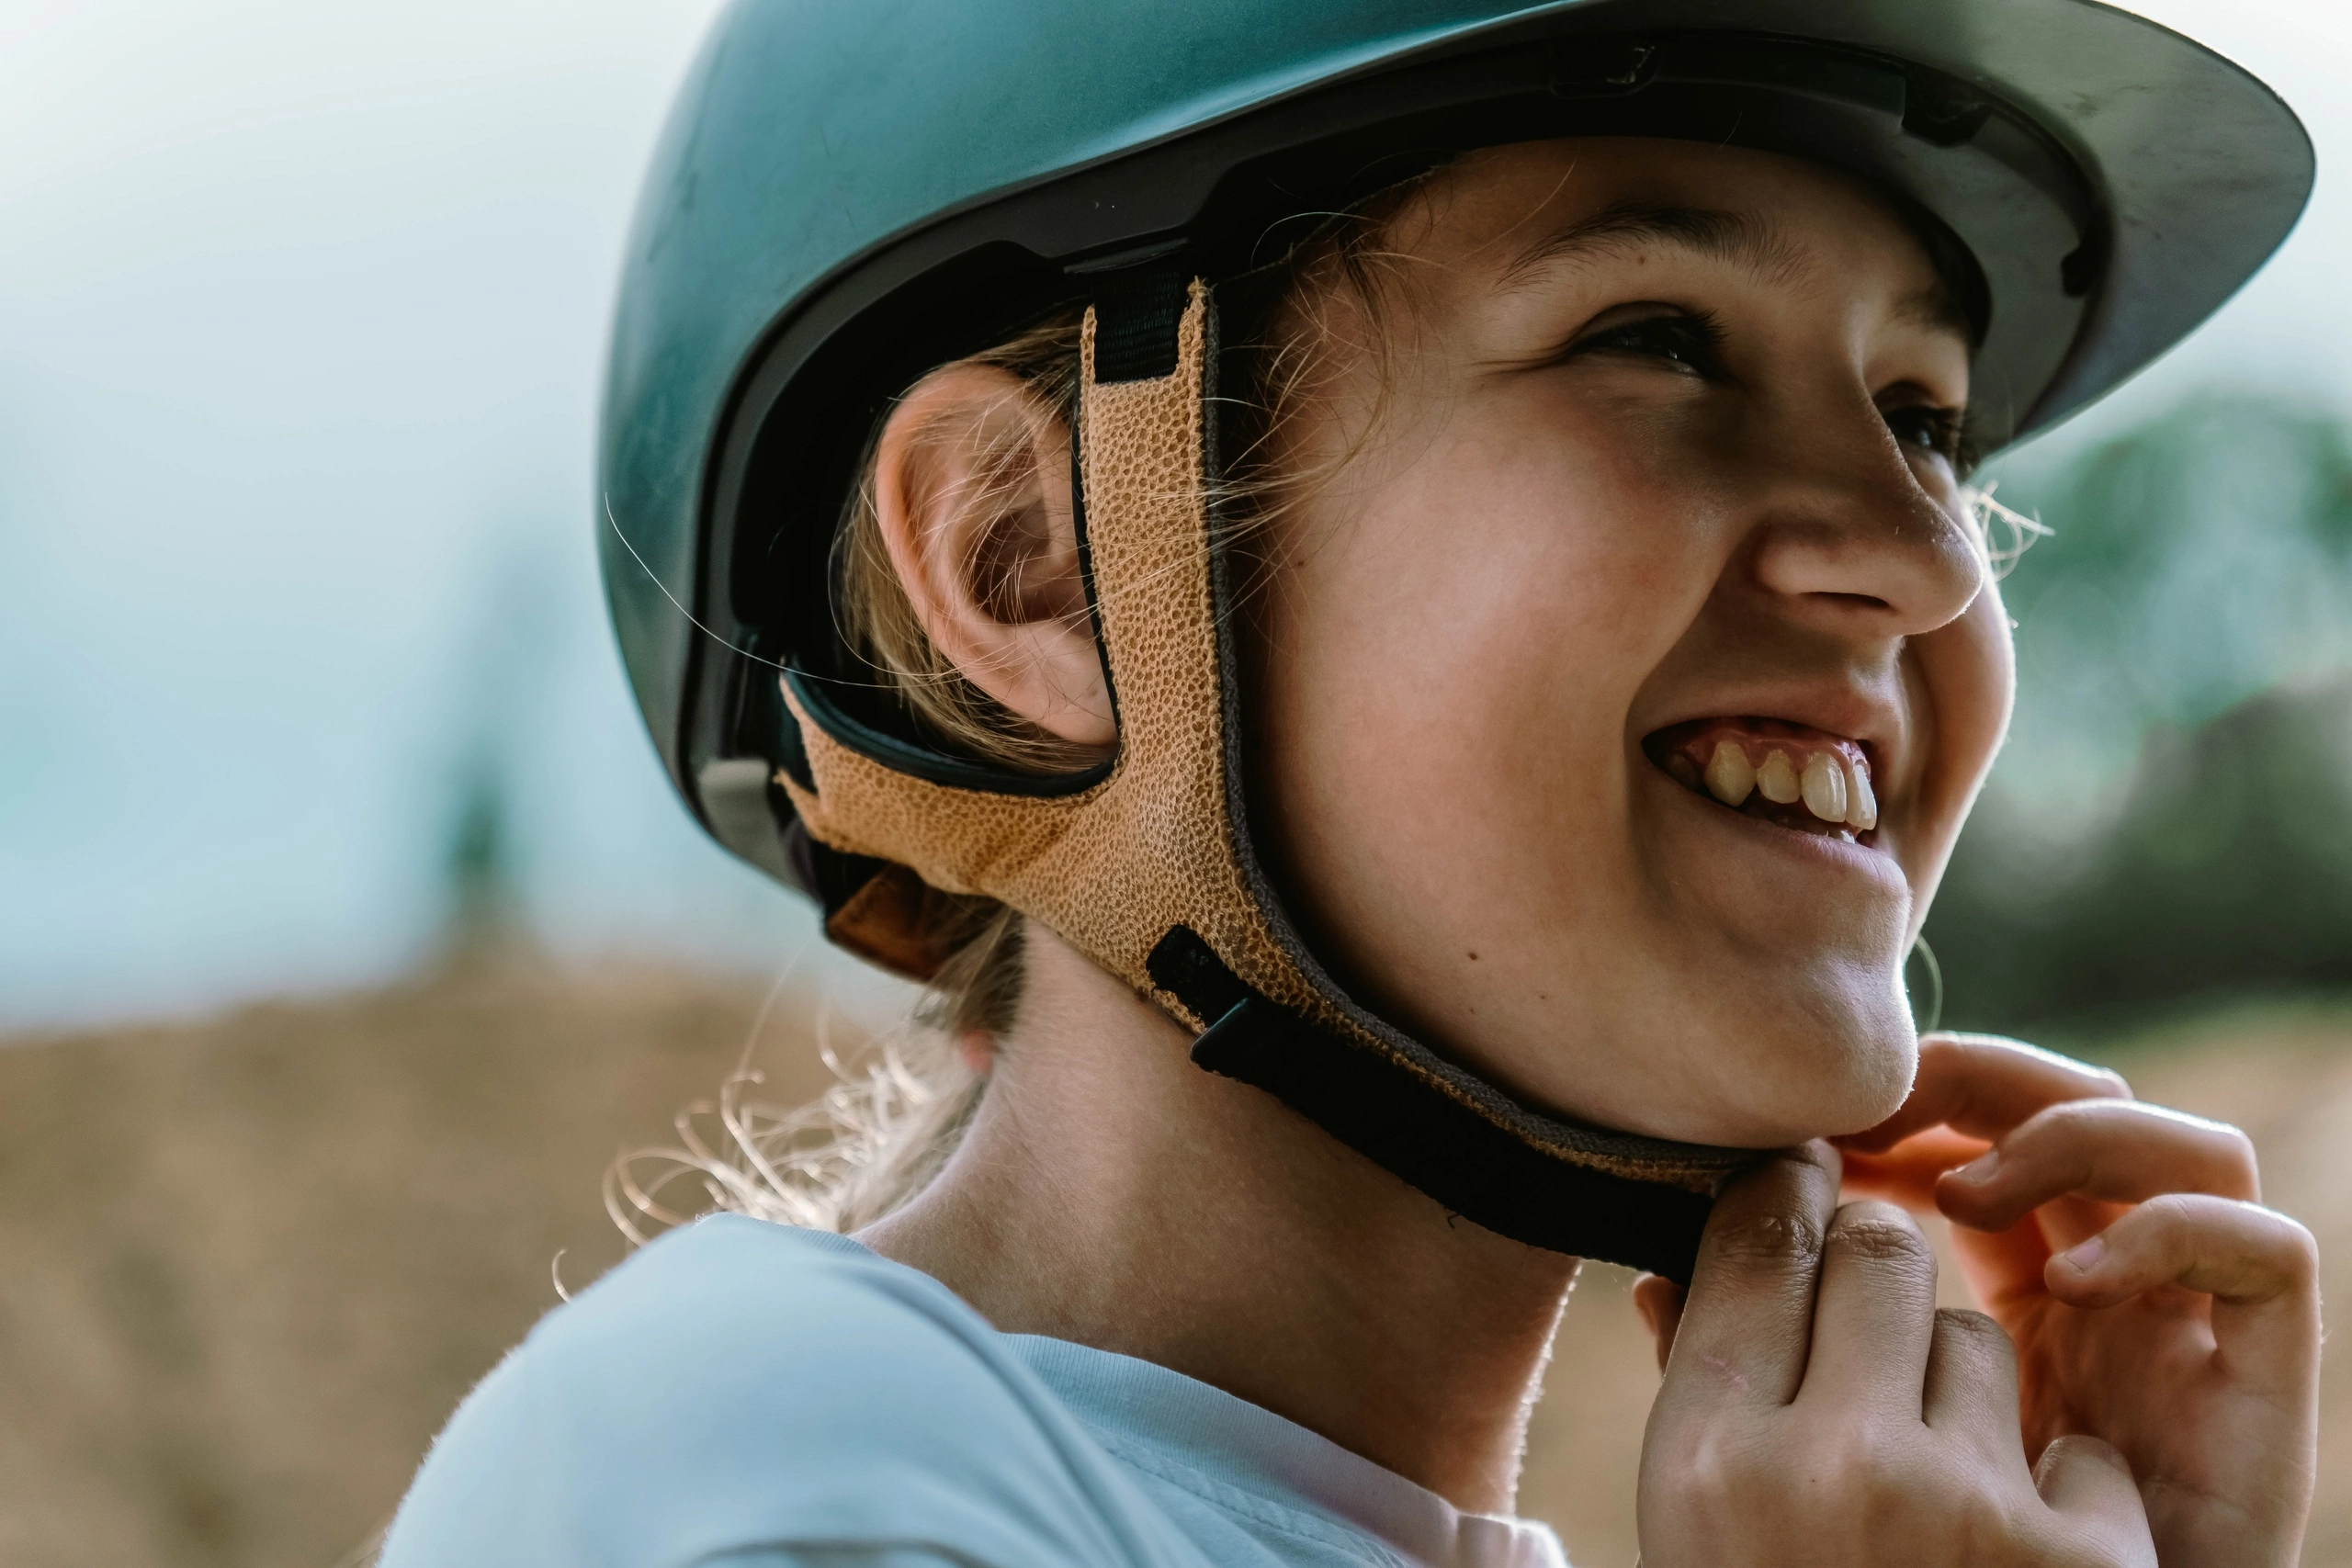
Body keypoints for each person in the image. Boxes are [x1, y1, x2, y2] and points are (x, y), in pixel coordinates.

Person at [384, 5, 2321, 1564]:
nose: (1913, 557)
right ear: (1029, 567)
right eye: (1655, 338)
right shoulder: (753, 1469)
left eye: (1921, 416)